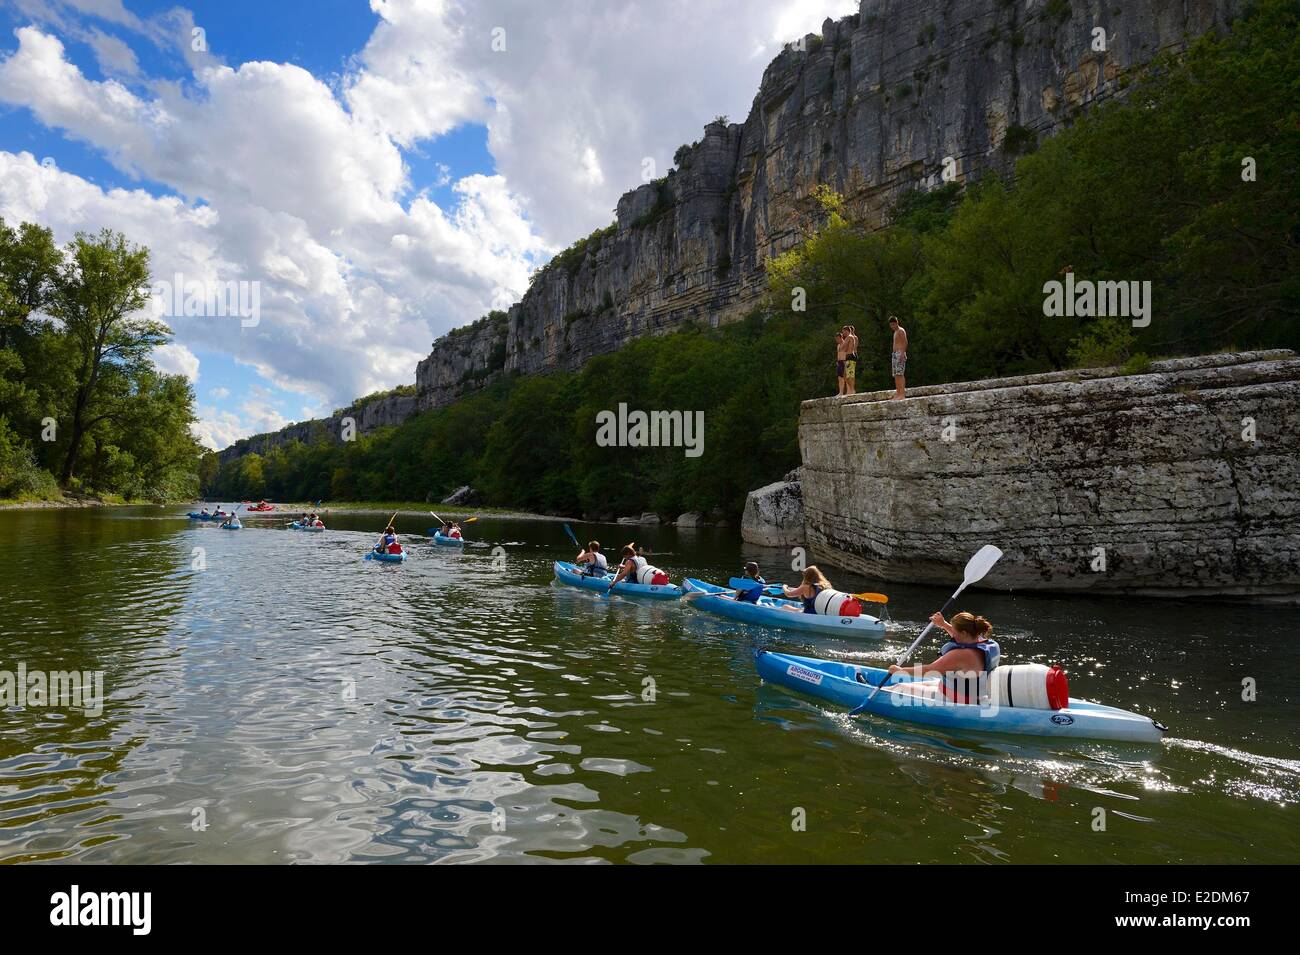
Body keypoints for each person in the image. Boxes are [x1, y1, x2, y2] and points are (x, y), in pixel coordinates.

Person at [888, 315, 908, 399]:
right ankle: (898, 392)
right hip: (895, 354)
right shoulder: (895, 332)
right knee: (896, 374)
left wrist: (902, 354)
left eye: (893, 324)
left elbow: (905, 342)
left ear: (896, 323)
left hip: (900, 353)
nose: (892, 326)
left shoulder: (901, 330)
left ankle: (902, 394)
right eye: (891, 325)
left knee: (900, 374)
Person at [842, 324, 859, 396]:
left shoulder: (849, 337)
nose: (843, 333)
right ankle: (851, 389)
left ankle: (852, 390)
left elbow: (843, 347)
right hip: (848, 357)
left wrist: (843, 347)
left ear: (847, 331)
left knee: (850, 375)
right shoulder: (849, 338)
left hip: (850, 356)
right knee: (845, 375)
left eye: (843, 332)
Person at [834, 331, 847, 396]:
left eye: (837, 339)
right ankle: (841, 392)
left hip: (844, 361)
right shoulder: (838, 345)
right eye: (836, 339)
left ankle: (848, 391)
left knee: (846, 377)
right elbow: (838, 354)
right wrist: (837, 362)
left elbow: (846, 354)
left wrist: (845, 363)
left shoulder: (845, 344)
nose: (837, 340)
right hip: (839, 362)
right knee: (840, 378)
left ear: (841, 337)